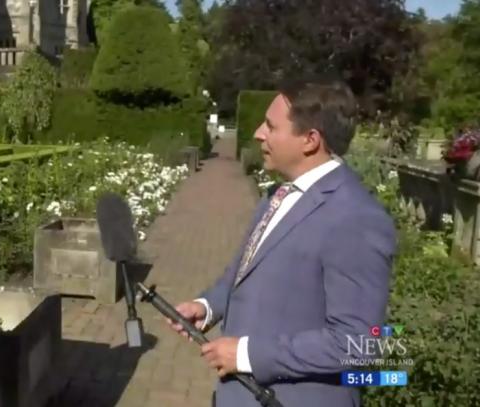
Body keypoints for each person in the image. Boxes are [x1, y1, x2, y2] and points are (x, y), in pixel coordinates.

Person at [168, 78, 397, 406]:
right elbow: (243, 272)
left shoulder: (357, 218)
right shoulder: (276, 194)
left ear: (310, 140)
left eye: (270, 126)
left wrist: (247, 354)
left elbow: (359, 343)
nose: (258, 132)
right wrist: (206, 307)